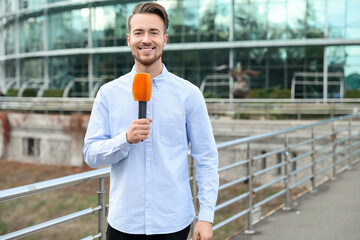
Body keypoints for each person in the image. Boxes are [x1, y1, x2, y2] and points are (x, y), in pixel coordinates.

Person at [83, 2, 219, 240]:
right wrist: (125, 139)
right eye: (139, 33)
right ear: (129, 39)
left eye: (153, 32)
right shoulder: (108, 93)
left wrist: (206, 217)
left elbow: (206, 158)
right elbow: (91, 155)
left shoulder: (189, 94)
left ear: (164, 39)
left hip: (174, 223)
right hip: (124, 224)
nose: (146, 39)